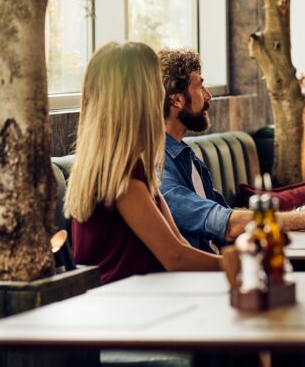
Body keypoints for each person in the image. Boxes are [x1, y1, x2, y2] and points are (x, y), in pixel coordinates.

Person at [158, 47, 305, 253]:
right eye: (200, 86)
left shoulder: (187, 157)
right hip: (201, 280)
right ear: (176, 99)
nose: (208, 95)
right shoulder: (159, 168)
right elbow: (226, 225)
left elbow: (229, 217)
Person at [65, 42, 221, 285]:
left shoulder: (134, 168)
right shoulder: (121, 178)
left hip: (146, 303)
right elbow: (175, 258)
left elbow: (179, 243)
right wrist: (239, 264)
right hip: (128, 312)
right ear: (139, 97)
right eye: (156, 84)